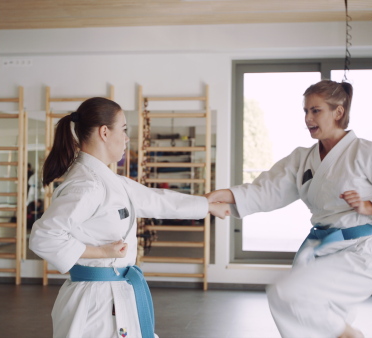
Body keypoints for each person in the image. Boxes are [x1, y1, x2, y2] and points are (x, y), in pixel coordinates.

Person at [206, 80, 372, 338]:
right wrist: (225, 195)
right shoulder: (302, 158)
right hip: (322, 251)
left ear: (338, 112)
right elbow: (267, 190)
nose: (307, 118)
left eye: (315, 110)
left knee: (288, 294)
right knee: (312, 319)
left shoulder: (368, 153)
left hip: (359, 254)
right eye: (305, 111)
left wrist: (370, 205)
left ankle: (350, 335)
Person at [29, 97, 229, 338]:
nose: (126, 138)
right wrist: (101, 252)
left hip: (113, 293)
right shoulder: (87, 185)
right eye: (123, 129)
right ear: (104, 132)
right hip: (94, 302)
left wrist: (206, 204)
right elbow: (44, 237)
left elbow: (158, 200)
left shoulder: (108, 181)